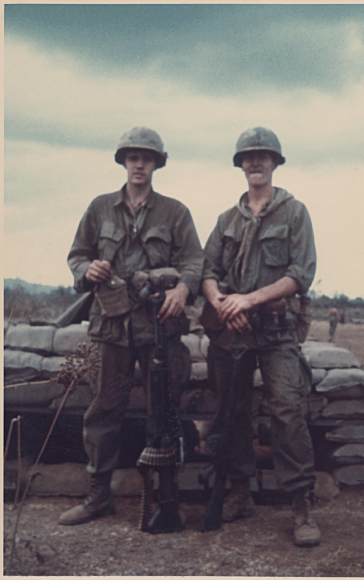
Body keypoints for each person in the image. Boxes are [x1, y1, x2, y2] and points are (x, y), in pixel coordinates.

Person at [59, 127, 204, 532]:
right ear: (123, 161)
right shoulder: (100, 208)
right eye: (133, 157)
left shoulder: (175, 212)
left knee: (165, 412)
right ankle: (98, 495)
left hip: (160, 330)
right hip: (111, 328)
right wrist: (86, 269)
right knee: (104, 410)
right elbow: (77, 255)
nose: (139, 164)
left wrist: (183, 288)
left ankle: (166, 495)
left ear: (158, 163)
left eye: (147, 158)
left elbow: (194, 261)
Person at [201, 127, 320, 547]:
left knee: (288, 408)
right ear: (240, 164)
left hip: (275, 331)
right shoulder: (226, 221)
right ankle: (238, 491)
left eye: (263, 156)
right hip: (231, 332)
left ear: (274, 163)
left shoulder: (294, 212)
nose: (255, 163)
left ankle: (300, 502)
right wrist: (221, 303)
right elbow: (207, 272)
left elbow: (300, 275)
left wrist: (248, 300)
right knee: (231, 411)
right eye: (248, 157)